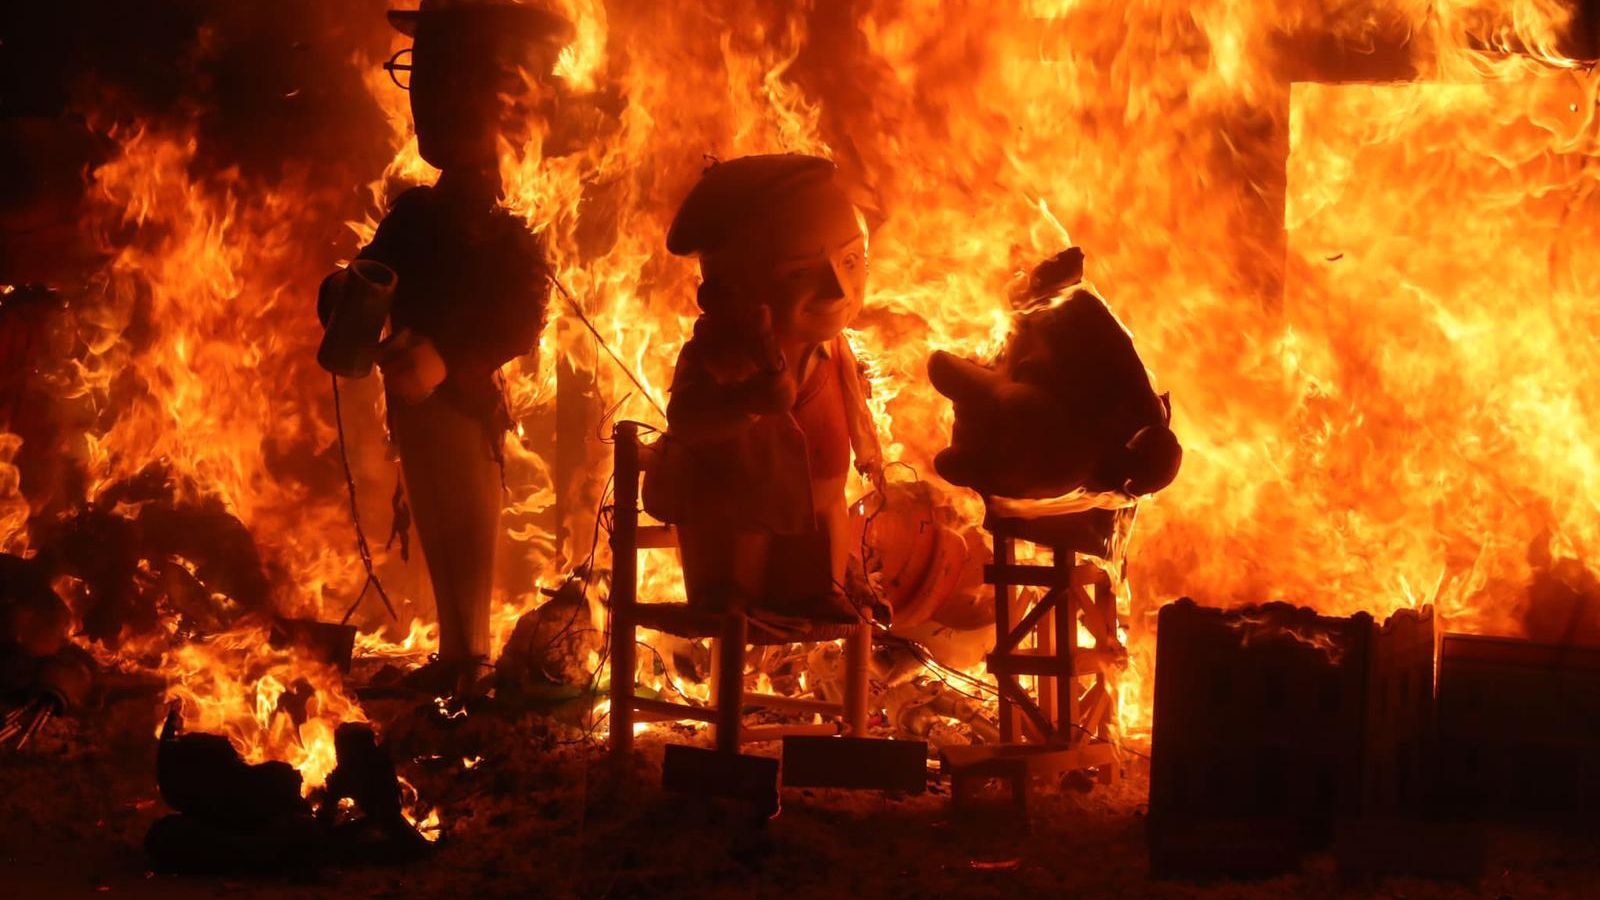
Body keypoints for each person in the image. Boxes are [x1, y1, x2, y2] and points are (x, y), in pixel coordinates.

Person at [317, 0, 570, 691]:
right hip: (413, 401)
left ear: (511, 91)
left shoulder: (510, 228)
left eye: (449, 75)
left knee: (464, 521)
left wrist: (450, 360)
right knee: (432, 513)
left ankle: (470, 654)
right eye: (421, 74)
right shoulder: (415, 217)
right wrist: (344, 298)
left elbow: (517, 319)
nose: (430, 98)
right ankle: (456, 653)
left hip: (459, 401)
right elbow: (376, 271)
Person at [646, 154, 882, 630]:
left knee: (826, 535)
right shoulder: (720, 356)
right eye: (800, 273)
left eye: (851, 261)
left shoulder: (836, 350)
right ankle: (736, 593)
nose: (838, 290)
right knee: (747, 536)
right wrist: (746, 405)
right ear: (729, 290)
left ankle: (822, 590)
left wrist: (869, 450)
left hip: (822, 498)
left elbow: (855, 405)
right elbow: (688, 420)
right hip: (745, 499)